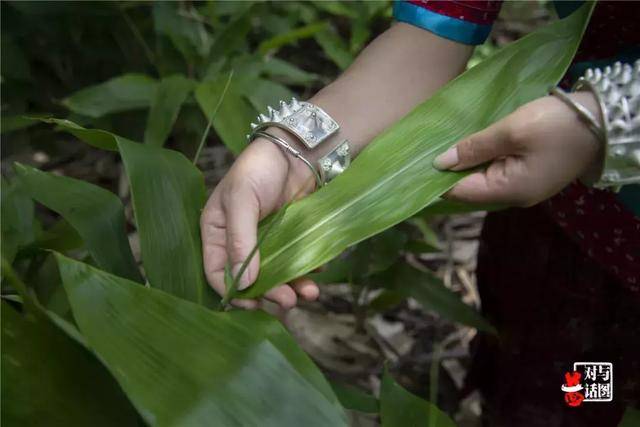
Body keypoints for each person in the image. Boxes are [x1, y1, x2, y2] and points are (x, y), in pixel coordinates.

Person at [200, 1, 639, 425]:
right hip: (575, 231)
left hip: (576, 182)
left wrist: (610, 125)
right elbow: (436, 29)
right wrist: (294, 149)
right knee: (572, 391)